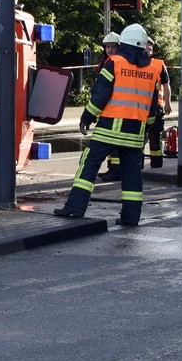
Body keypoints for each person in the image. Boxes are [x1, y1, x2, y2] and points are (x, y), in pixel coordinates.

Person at [54, 24, 160, 226]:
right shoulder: (152, 69)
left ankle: (75, 207)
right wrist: (147, 128)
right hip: (135, 133)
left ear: (124, 44)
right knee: (132, 174)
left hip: (109, 128)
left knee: (90, 163)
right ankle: (131, 217)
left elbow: (100, 94)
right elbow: (153, 106)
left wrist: (87, 116)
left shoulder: (115, 63)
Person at [96, 31, 124, 182]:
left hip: (116, 108)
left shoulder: (119, 63)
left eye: (113, 47)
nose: (110, 50)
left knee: (114, 142)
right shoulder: (106, 63)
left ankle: (116, 171)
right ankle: (111, 169)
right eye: (107, 47)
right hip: (108, 108)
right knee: (109, 141)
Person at [144, 38, 172, 168]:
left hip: (157, 108)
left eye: (150, 47)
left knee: (155, 138)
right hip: (141, 108)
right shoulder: (136, 63)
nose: (148, 50)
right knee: (140, 140)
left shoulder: (159, 64)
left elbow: (166, 85)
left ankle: (156, 165)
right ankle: (139, 166)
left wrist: (168, 103)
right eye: (146, 47)